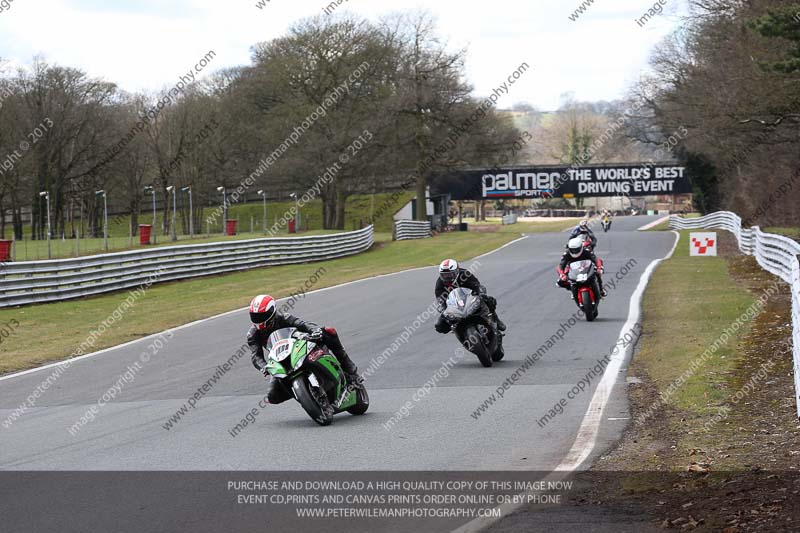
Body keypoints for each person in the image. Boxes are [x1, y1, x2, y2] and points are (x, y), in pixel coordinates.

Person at [247, 295, 361, 405]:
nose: (258, 319)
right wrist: (264, 367)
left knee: (329, 332)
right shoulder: (253, 334)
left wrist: (316, 331)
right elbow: (256, 356)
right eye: (255, 316)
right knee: (272, 397)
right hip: (280, 359)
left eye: (261, 315)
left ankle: (350, 370)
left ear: (271, 312)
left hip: (301, 346)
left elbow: (304, 324)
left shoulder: (284, 318)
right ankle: (304, 394)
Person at [434, 259, 506, 334]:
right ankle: (457, 330)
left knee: (489, 300)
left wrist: (481, 294)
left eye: (449, 274)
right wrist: (443, 309)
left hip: (470, 298)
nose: (446, 276)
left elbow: (476, 285)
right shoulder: (440, 282)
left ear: (456, 271)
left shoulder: (464, 274)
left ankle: (496, 319)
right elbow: (440, 299)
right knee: (439, 326)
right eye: (444, 274)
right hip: (455, 306)